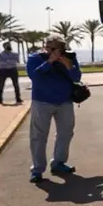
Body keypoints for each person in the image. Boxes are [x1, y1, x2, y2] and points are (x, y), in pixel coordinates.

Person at [26, 33, 81, 183]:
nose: (59, 51)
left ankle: (58, 163)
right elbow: (34, 76)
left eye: (61, 49)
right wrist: (49, 62)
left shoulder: (69, 57)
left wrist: (68, 64)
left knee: (66, 133)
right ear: (47, 48)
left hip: (65, 101)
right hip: (42, 102)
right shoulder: (35, 58)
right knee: (38, 136)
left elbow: (76, 77)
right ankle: (37, 170)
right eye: (55, 49)